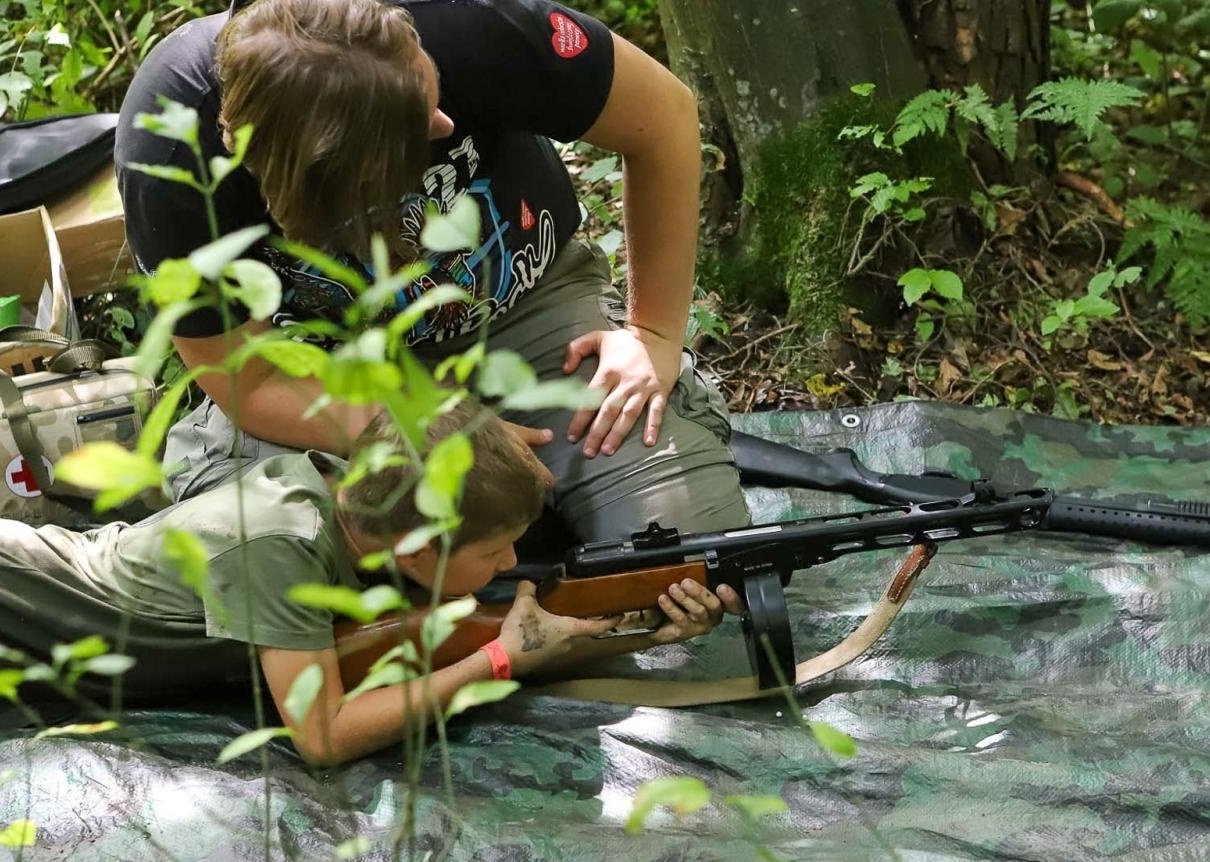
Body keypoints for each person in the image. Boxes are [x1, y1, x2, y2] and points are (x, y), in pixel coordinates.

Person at [115, 0, 751, 539]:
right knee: (265, 562)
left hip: (522, 311)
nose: (444, 123)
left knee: (682, 549)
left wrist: (656, 335)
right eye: (413, 128)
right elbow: (248, 381)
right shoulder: (171, 152)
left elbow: (662, 116)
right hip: (321, 368)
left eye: (432, 89)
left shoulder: (471, 24)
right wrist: (427, 428)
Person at [0, 402, 739, 771]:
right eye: (498, 548)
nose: (509, 568)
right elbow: (326, 736)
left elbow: (431, 633)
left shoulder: (352, 503)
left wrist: (631, 622)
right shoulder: (285, 545)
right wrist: (501, 656)